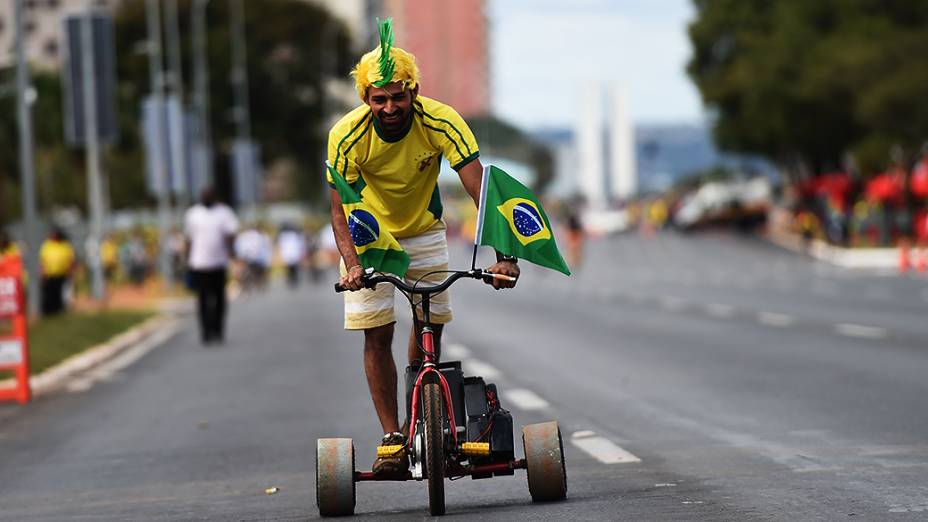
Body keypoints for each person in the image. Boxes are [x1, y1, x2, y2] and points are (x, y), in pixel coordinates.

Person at [327, 19, 519, 478]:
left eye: (398, 95)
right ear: (366, 99)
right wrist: (352, 265)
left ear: (413, 91)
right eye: (379, 98)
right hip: (368, 235)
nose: (390, 106)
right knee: (377, 331)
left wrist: (503, 255)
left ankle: (423, 414)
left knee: (428, 321)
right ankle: (393, 436)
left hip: (425, 230)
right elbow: (338, 210)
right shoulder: (346, 135)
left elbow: (482, 191)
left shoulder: (442, 120)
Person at [184, 187, 239, 345]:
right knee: (202, 299)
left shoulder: (224, 213)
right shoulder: (193, 214)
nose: (206, 197)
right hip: (199, 264)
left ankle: (218, 329)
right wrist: (186, 259)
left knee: (219, 298)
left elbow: (231, 234)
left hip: (218, 263)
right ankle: (206, 331)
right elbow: (188, 238)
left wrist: (232, 253)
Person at [38, 227, 75, 316]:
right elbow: (42, 260)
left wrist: (70, 272)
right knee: (49, 293)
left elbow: (71, 260)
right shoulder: (46, 245)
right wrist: (43, 272)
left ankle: (59, 310)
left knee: (60, 294)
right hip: (49, 275)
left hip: (62, 274)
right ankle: (48, 311)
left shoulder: (65, 245)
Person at [277, 224, 306, 289]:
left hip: (291, 254)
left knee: (292, 269)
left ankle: (292, 280)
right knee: (292, 269)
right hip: (292, 254)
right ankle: (292, 280)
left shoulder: (285, 236)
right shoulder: (292, 235)